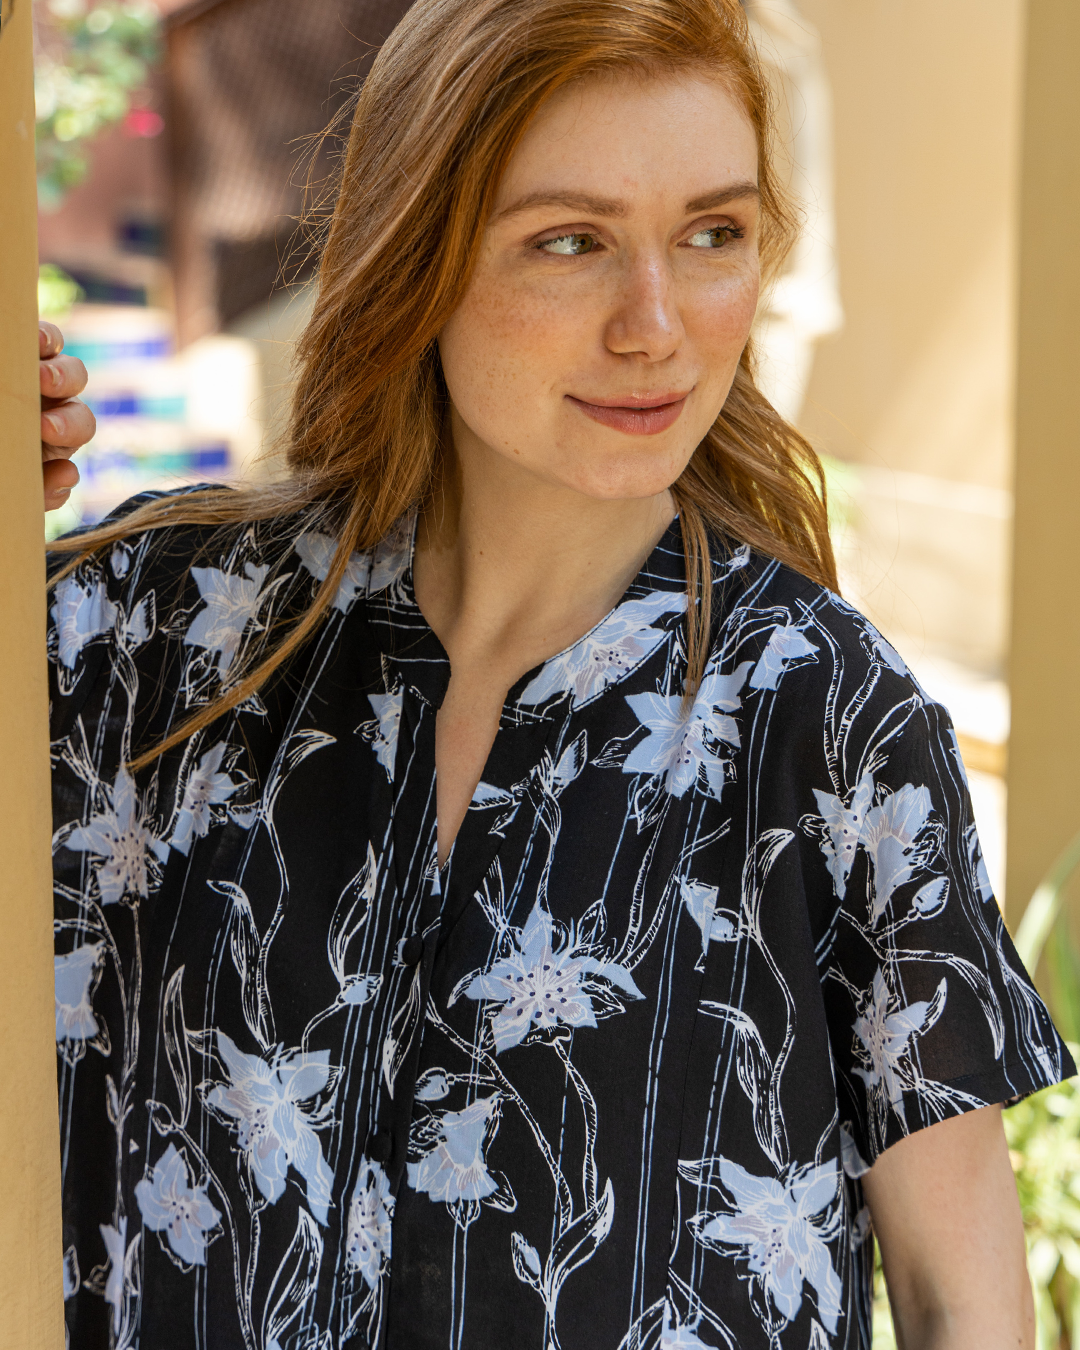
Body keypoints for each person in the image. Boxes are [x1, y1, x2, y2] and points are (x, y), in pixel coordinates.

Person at [40, 1, 1071, 1347]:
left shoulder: (829, 722)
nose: (657, 324)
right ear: (418, 253)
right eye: (570, 241)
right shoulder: (146, 634)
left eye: (712, 233)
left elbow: (963, 1306)